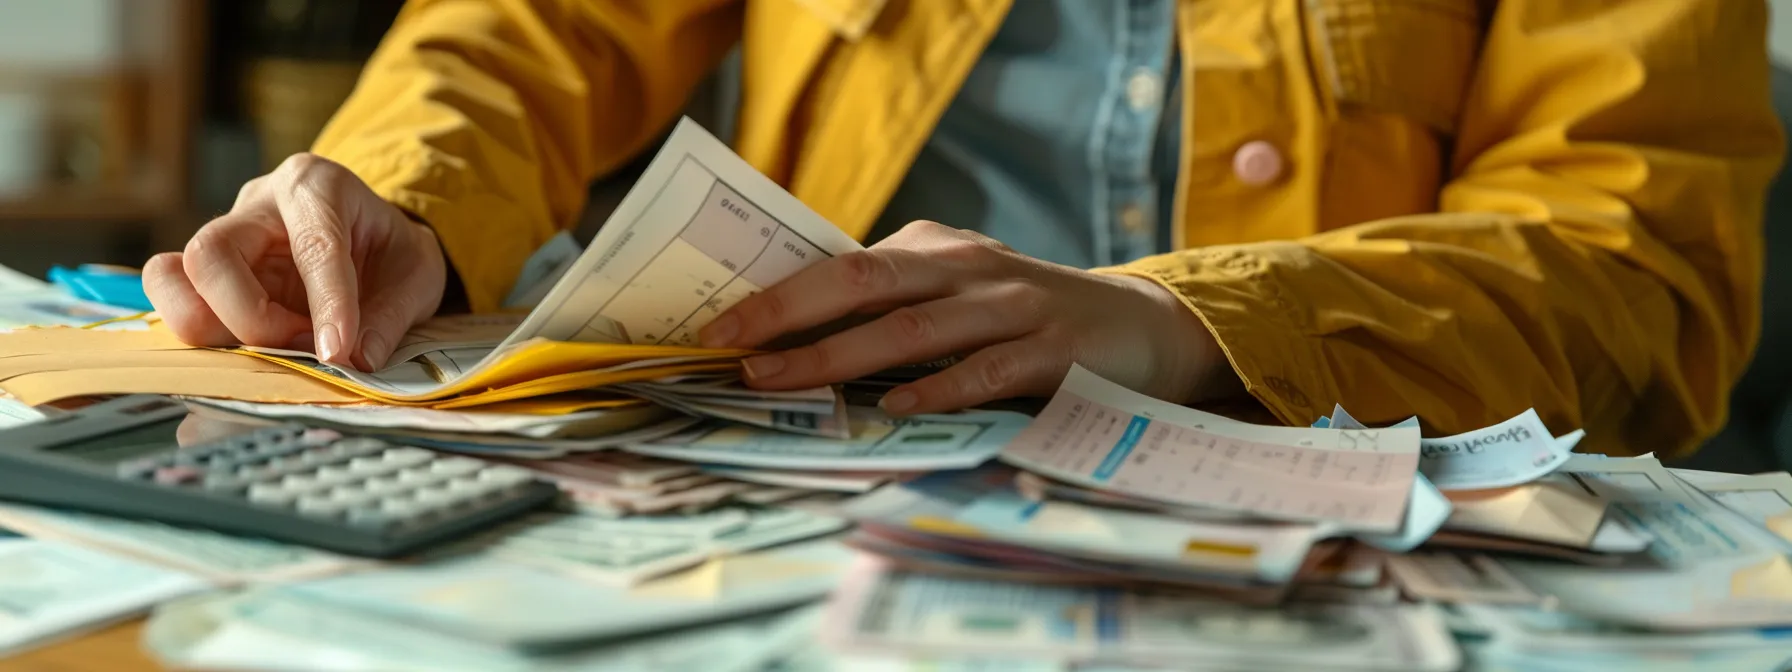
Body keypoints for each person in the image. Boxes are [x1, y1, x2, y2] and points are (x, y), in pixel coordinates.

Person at [144, 0, 1784, 459]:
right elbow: (526, 34)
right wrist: (405, 197)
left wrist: (1174, 323)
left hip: (1321, 512)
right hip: (798, 481)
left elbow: (1640, 274)